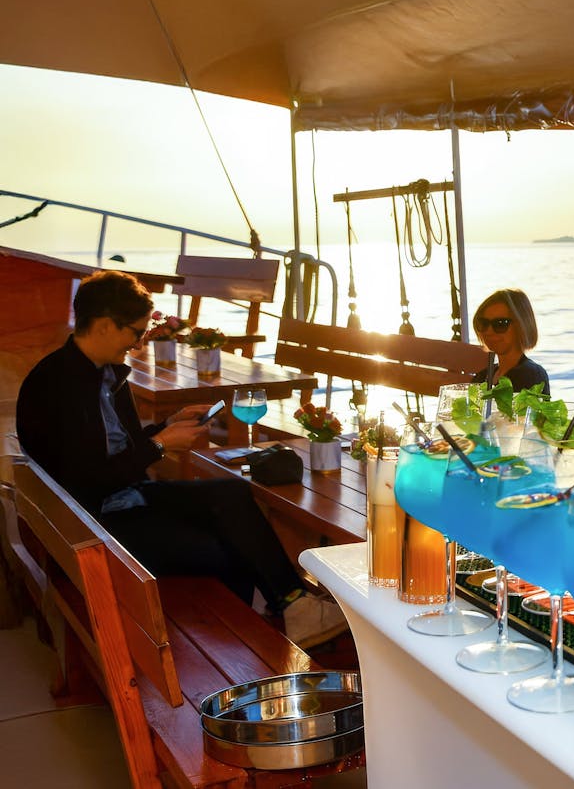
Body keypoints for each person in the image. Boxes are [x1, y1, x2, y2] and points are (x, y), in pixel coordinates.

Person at [16, 270, 345, 649]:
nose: (138, 343)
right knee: (227, 550)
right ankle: (241, 650)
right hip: (95, 523)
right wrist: (160, 446)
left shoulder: (103, 373)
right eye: (135, 332)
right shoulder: (59, 386)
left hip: (121, 496)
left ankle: (294, 605)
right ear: (105, 325)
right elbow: (88, 478)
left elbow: (114, 448)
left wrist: (165, 426)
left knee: (232, 494)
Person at [471, 288, 550, 395]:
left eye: (500, 324)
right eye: (483, 323)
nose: (489, 331)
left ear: (521, 326)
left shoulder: (531, 375)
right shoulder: (482, 377)